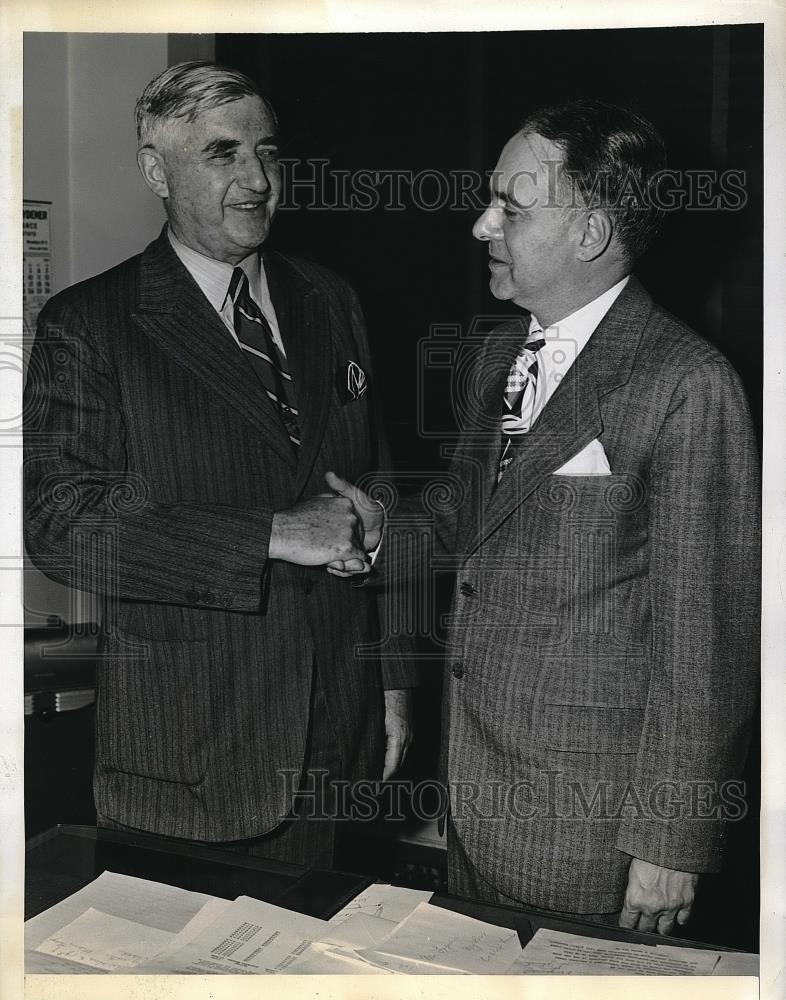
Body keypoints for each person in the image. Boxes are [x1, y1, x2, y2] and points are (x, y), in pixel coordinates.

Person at [328, 98, 760, 933]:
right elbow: (471, 531)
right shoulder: (501, 352)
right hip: (481, 798)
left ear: (591, 233)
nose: (482, 224)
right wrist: (381, 535)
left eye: (512, 209)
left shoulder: (687, 383)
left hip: (594, 827)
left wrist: (671, 841)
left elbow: (708, 643)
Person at [24, 61, 417, 866]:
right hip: (191, 765)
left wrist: (394, 681)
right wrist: (272, 532)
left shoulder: (328, 299)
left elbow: (377, 488)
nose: (258, 179)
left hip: (336, 742)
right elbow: (62, 528)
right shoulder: (92, 324)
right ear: (154, 171)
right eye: (223, 154)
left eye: (268, 152)